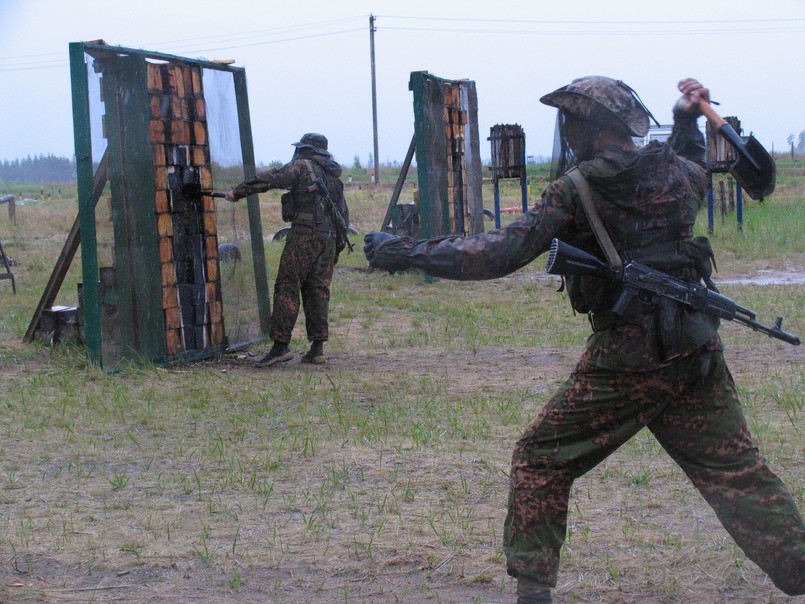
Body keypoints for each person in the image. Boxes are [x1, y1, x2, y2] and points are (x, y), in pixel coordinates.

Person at [363, 77, 804, 603]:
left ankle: (533, 593)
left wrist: (407, 252)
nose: (567, 132)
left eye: (572, 122)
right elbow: (688, 162)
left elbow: (495, 253)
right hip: (694, 348)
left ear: (589, 128)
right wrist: (686, 119)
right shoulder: (679, 172)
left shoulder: (578, 189)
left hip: (629, 357)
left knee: (540, 458)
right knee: (740, 477)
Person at [226, 133, 349, 366]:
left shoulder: (302, 166)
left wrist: (238, 192)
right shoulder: (332, 175)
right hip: (329, 239)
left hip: (305, 235)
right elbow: (343, 215)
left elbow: (273, 178)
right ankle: (317, 348)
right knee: (318, 290)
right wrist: (334, 248)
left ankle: (280, 346)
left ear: (304, 149)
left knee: (287, 286)